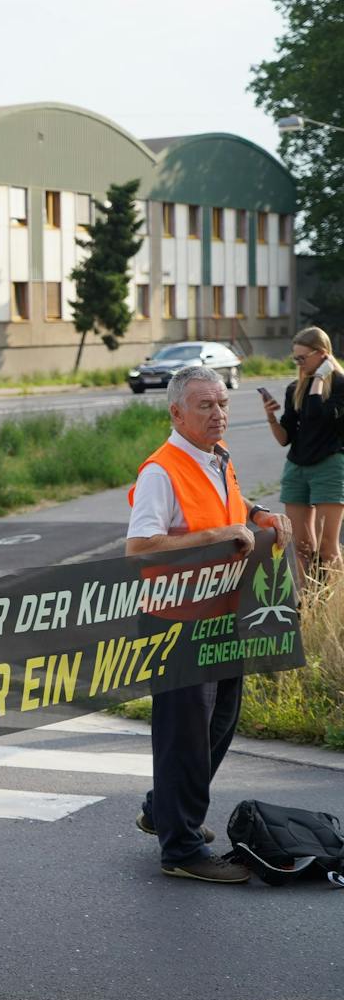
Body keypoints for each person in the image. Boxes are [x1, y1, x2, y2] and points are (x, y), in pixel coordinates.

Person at [125, 365, 291, 884]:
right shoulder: (161, 470)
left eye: (222, 403)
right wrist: (219, 533)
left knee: (218, 725)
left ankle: (163, 810)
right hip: (175, 620)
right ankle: (181, 849)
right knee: (183, 735)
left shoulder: (218, 458)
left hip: (222, 613)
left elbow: (231, 506)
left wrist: (258, 514)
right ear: (176, 412)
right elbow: (140, 547)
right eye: (206, 406)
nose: (219, 414)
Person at [261, 325, 344, 578]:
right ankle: (308, 605)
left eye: (302, 358)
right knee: (301, 546)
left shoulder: (340, 385)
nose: (298, 363)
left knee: (328, 548)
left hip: (329, 466)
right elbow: (285, 439)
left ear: (322, 354)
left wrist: (320, 378)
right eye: (294, 358)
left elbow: (317, 414)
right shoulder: (294, 389)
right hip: (296, 467)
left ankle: (335, 607)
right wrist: (271, 418)